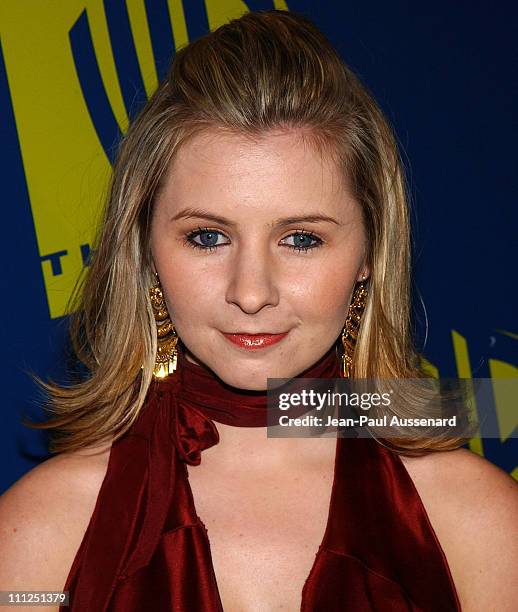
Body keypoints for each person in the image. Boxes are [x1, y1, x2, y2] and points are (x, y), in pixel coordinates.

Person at [1, 9, 517, 612]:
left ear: (370, 253)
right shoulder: (42, 537)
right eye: (207, 237)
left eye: (300, 239)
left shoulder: (475, 525)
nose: (251, 293)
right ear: (145, 250)